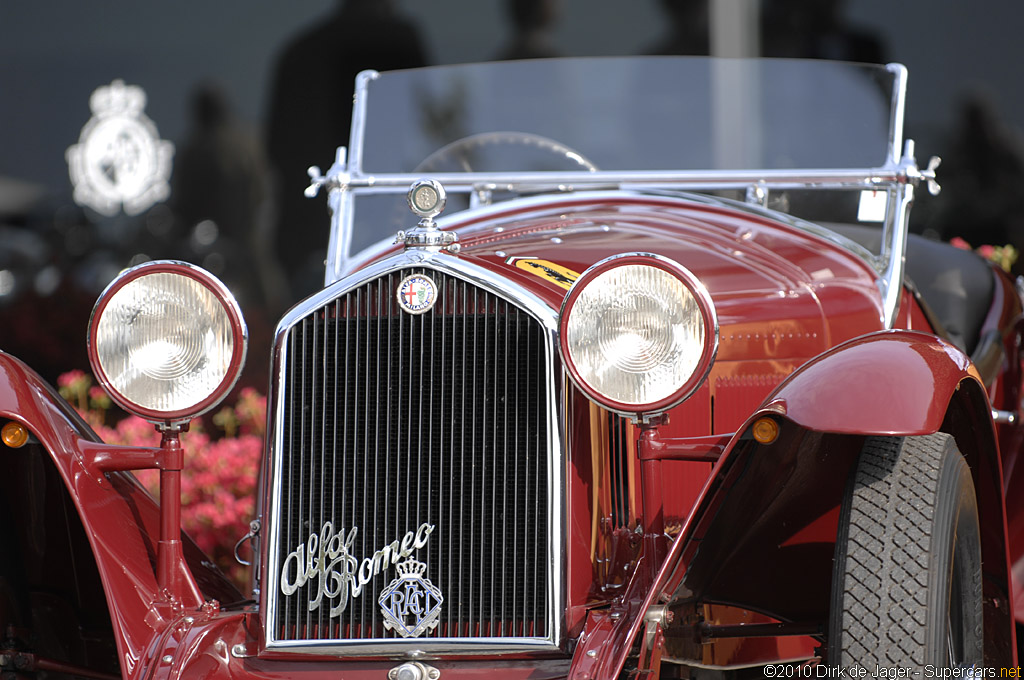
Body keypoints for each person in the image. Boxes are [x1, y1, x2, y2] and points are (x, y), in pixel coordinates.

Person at [266, 0, 429, 301]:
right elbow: (424, 133)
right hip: (366, 227)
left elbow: (277, 150)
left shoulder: (302, 51)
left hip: (323, 233)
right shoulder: (398, 43)